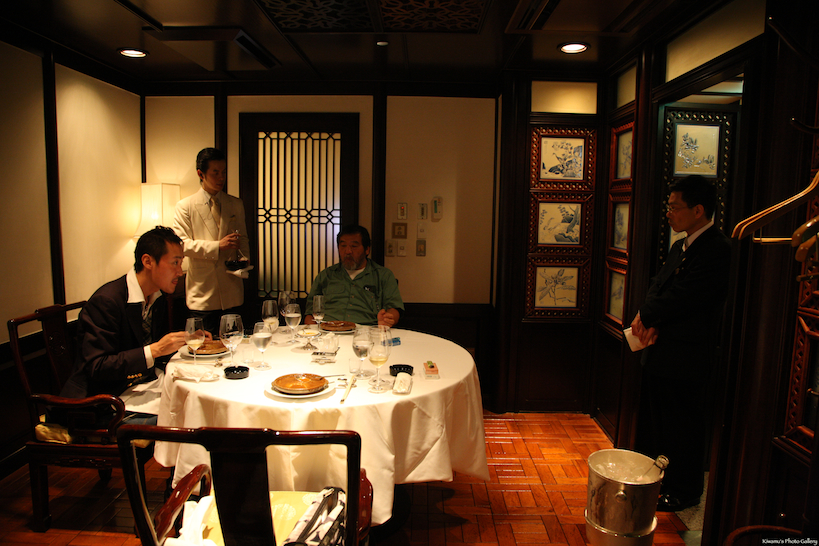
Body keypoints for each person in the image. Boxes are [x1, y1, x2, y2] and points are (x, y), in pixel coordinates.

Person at [630, 175, 731, 512]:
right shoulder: (680, 246)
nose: (669, 213)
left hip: (687, 355)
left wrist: (649, 315)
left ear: (698, 210)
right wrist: (646, 315)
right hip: (661, 351)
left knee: (683, 425)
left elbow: (687, 296)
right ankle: (657, 480)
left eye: (675, 207)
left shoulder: (717, 248)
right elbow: (659, 285)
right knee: (659, 422)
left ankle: (684, 490)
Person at [59, 226, 193, 426]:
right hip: (100, 403)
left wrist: (188, 342)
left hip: (142, 388)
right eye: (175, 263)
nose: (180, 272)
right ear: (147, 261)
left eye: (181, 263)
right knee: (183, 419)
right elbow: (97, 367)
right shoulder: (107, 301)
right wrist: (155, 350)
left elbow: (159, 349)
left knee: (192, 406)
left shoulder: (157, 297)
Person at [173, 147, 250, 335]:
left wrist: (244, 260)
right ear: (201, 174)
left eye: (223, 172)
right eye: (215, 173)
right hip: (202, 293)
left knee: (234, 344)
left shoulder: (235, 203)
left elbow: (243, 238)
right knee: (203, 346)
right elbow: (181, 244)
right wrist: (217, 246)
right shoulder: (185, 206)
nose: (221, 177)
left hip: (232, 290)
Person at [305, 225, 404, 327]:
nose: (348, 251)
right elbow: (310, 312)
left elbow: (394, 308)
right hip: (329, 330)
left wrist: (388, 319)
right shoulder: (326, 275)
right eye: (343, 246)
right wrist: (313, 331)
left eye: (354, 246)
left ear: (367, 250)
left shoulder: (383, 275)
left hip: (367, 331)